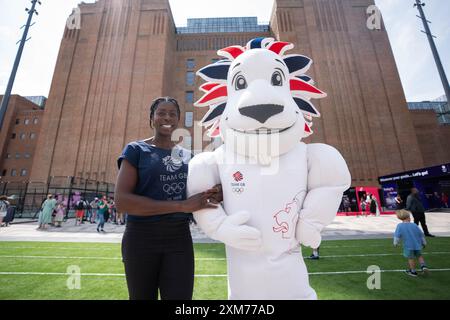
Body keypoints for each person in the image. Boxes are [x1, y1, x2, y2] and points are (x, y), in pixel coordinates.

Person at [115, 97, 222, 300]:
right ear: (152, 118)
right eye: (161, 113)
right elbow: (122, 201)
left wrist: (217, 192)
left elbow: (197, 194)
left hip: (178, 239)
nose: (167, 117)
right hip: (141, 238)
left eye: (173, 114)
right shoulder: (136, 150)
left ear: (178, 120)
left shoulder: (188, 156)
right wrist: (181, 206)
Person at [394, 210, 429, 277]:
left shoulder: (400, 226)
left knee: (411, 258)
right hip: (417, 245)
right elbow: (421, 234)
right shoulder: (414, 225)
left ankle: (413, 271)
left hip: (408, 246)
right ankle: (423, 266)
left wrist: (395, 243)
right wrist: (424, 242)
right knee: (419, 256)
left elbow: (397, 235)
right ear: (408, 217)